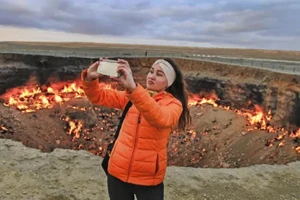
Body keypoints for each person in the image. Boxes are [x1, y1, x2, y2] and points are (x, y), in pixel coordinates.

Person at [81, 58, 191, 200]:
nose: (152, 76)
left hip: (148, 179)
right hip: (117, 173)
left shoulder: (173, 104)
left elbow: (160, 117)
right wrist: (90, 79)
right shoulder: (132, 97)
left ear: (168, 83)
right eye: (151, 71)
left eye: (159, 74)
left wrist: (134, 89)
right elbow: (98, 97)